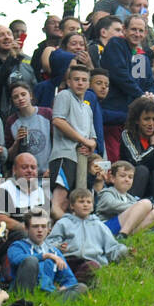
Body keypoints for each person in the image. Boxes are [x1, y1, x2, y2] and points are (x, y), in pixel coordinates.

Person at [45, 188, 129, 286]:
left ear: (92, 206)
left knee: (92, 267)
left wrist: (123, 250)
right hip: (69, 260)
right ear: (72, 206)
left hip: (91, 260)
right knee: (55, 265)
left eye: (89, 202)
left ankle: (74, 285)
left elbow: (111, 246)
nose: (85, 204)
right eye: (81, 202)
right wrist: (58, 246)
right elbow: (49, 243)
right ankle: (69, 285)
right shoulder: (63, 223)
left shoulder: (99, 225)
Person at [49, 62, 99, 217]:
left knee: (74, 201)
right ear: (69, 81)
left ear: (88, 84)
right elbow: (58, 120)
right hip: (65, 154)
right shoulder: (65, 95)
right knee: (60, 201)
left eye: (84, 80)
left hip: (81, 158)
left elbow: (92, 138)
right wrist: (83, 140)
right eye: (76, 79)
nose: (80, 83)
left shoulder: (87, 107)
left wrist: (90, 145)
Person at [7, 210, 87, 299]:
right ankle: (24, 304)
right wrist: (45, 256)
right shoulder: (17, 246)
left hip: (48, 294)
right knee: (31, 261)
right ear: (26, 228)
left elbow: (70, 280)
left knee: (81, 288)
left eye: (43, 226)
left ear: (49, 230)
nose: (40, 230)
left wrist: (62, 289)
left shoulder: (55, 252)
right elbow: (17, 260)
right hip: (22, 291)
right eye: (35, 226)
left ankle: (48, 305)